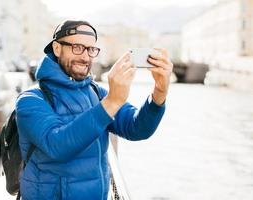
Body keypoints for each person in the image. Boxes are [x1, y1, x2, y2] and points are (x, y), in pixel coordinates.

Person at [16, 20, 173, 200]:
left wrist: (160, 92)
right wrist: (111, 102)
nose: (85, 57)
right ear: (57, 48)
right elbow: (57, 146)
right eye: (77, 47)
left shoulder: (97, 92)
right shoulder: (31, 99)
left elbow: (137, 128)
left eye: (91, 49)